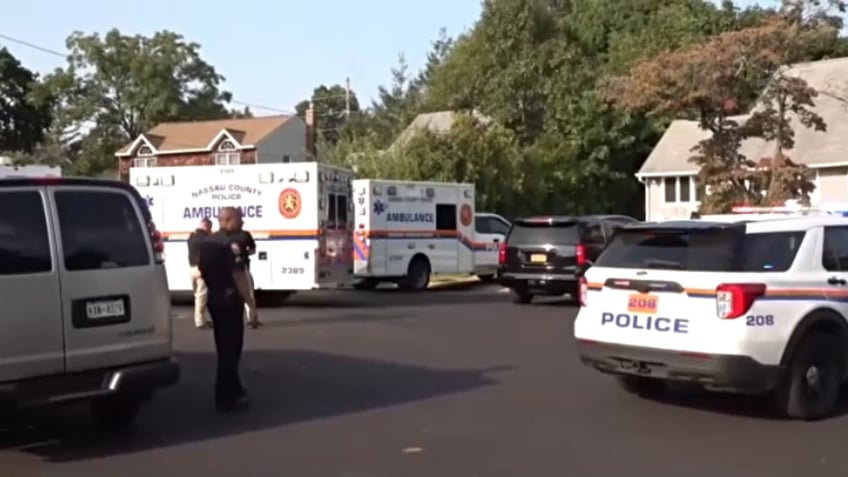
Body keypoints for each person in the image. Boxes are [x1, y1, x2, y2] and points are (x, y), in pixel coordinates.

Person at [197, 207, 257, 413]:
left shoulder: (206, 243)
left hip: (214, 298)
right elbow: (239, 275)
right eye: (240, 219)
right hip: (230, 300)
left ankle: (235, 389)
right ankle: (224, 397)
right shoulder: (232, 244)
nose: (242, 223)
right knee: (232, 350)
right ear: (229, 220)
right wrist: (251, 304)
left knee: (223, 346)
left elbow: (201, 270)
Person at [221, 220, 260, 328]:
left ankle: (228, 320)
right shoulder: (245, 235)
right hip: (242, 267)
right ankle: (252, 319)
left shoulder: (224, 235)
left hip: (228, 268)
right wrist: (244, 254)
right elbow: (253, 249)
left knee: (228, 294)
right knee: (248, 294)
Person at [187, 218, 213, 329]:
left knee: (197, 295)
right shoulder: (207, 239)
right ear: (207, 226)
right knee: (201, 296)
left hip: (192, 268)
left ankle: (202, 318)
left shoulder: (191, 237)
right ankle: (200, 321)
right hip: (201, 269)